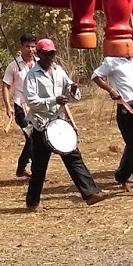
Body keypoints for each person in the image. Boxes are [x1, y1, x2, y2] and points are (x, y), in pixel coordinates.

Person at [21, 38, 106, 210]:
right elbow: (31, 101)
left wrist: (74, 89)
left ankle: (90, 193)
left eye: (52, 53)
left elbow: (70, 90)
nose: (50, 57)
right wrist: (54, 100)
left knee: (73, 156)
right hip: (41, 124)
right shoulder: (32, 75)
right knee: (39, 166)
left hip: (59, 123)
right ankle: (32, 202)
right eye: (47, 53)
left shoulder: (59, 70)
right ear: (39, 54)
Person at [92, 27, 133, 195]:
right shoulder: (112, 61)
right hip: (125, 109)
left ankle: (122, 175)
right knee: (132, 146)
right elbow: (96, 76)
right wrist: (110, 90)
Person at [0, 34, 37, 178]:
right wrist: (8, 106)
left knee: (33, 138)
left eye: (33, 46)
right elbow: (5, 87)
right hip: (20, 107)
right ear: (21, 47)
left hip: (37, 107)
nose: (30, 49)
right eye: (27, 46)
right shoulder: (13, 66)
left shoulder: (40, 63)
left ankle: (21, 168)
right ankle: (36, 170)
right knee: (31, 136)